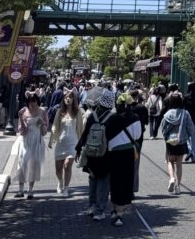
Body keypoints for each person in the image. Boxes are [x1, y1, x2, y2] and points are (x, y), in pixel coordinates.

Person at [78, 89, 115, 220]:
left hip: (91, 153)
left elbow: (85, 134)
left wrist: (79, 148)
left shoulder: (92, 115)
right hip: (105, 154)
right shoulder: (112, 117)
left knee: (92, 179)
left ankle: (91, 206)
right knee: (103, 182)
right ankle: (100, 209)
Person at [108, 93, 142, 226]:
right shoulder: (135, 118)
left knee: (115, 181)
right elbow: (138, 135)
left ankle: (115, 208)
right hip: (128, 153)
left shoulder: (112, 118)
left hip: (114, 153)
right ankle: (120, 213)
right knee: (126, 181)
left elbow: (107, 135)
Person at [49, 90, 85, 197]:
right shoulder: (59, 112)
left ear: (74, 99)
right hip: (61, 143)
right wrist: (51, 140)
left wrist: (81, 145)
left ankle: (66, 188)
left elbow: (81, 129)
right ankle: (60, 182)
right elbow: (54, 126)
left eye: (70, 97)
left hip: (72, 144)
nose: (68, 99)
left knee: (67, 165)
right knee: (58, 169)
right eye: (66, 97)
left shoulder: (78, 113)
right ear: (63, 100)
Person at [160, 91, 193, 196]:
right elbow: (190, 128)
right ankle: (178, 186)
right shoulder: (185, 113)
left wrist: (166, 136)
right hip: (181, 140)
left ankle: (172, 178)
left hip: (170, 141)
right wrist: (187, 135)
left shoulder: (167, 114)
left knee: (170, 161)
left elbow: (163, 129)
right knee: (179, 164)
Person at [16, 93, 48, 198]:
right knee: (22, 162)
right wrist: (20, 117)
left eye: (34, 101)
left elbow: (44, 132)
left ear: (37, 101)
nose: (32, 103)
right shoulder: (24, 112)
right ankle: (20, 190)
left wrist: (42, 123)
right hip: (26, 141)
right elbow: (22, 131)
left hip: (37, 141)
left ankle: (30, 190)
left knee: (34, 164)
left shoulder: (42, 112)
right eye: (30, 101)